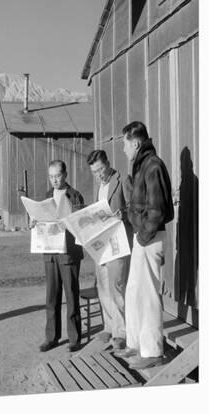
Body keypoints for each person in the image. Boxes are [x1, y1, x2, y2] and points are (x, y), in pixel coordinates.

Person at [114, 121, 174, 369]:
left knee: (148, 294)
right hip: (143, 237)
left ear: (136, 143)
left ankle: (152, 353)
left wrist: (143, 235)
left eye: (125, 145)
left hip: (149, 238)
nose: (124, 150)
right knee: (134, 292)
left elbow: (157, 210)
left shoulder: (153, 166)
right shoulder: (143, 166)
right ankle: (135, 344)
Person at [87, 150, 132, 351]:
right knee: (102, 287)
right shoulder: (98, 186)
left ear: (108, 163)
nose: (99, 175)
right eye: (94, 172)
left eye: (101, 170)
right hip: (101, 244)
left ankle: (122, 332)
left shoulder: (122, 180)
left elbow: (135, 206)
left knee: (117, 287)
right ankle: (109, 327)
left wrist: (125, 213)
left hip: (118, 243)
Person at [38, 160, 85, 353]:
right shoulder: (47, 196)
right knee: (52, 296)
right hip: (50, 252)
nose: (54, 180)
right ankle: (52, 337)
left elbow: (82, 223)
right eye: (51, 176)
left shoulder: (75, 196)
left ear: (65, 175)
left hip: (68, 252)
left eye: (57, 176)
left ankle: (74, 338)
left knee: (71, 295)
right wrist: (36, 222)